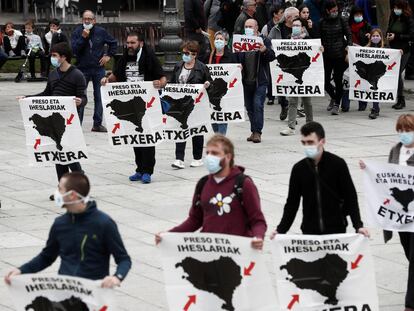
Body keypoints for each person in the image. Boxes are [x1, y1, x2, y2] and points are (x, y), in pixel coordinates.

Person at [4, 172, 131, 288]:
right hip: (66, 292)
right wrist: (21, 270)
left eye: (60, 189)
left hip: (94, 293)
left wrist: (116, 277)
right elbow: (47, 256)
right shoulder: (60, 224)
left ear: (72, 195)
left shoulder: (104, 223)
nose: (56, 193)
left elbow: (124, 259)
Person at [155, 135, 267, 250]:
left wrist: (258, 237)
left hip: (238, 252)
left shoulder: (244, 184)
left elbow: (257, 220)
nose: (209, 157)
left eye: (214, 153)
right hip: (210, 252)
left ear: (228, 157)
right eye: (207, 153)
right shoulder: (203, 183)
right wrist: (169, 235)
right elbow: (195, 219)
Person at [273, 122, 370, 236]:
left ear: (322, 141)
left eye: (310, 142)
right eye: (304, 143)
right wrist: (280, 230)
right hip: (310, 231)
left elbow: (351, 197)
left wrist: (358, 226)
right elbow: (292, 203)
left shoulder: (337, 164)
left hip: (336, 230)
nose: (307, 146)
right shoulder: (299, 169)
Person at [18, 42, 87, 200]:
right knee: (59, 157)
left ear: (63, 57)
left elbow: (84, 98)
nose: (52, 58)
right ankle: (63, 189)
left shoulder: (77, 75)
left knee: (70, 156)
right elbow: (46, 94)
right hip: (53, 120)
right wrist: (27, 99)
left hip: (69, 122)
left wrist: (80, 102)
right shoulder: (53, 74)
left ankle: (80, 187)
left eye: (55, 56)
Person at [360, 114, 414, 311]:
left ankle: (410, 304)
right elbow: (385, 177)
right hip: (400, 217)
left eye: (407, 131)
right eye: (400, 131)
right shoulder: (395, 151)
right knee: (408, 253)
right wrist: (369, 170)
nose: (403, 134)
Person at [101, 32, 167, 184]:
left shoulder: (150, 58)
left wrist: (160, 83)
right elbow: (116, 75)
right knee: (135, 136)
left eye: (133, 43)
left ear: (141, 43)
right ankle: (139, 169)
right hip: (130, 104)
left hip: (147, 105)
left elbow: (163, 78)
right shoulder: (124, 58)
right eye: (128, 43)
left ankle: (147, 171)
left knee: (148, 137)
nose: (129, 46)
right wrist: (106, 80)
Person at [71, 10, 117, 132]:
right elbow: (74, 50)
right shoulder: (77, 32)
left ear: (94, 20)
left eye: (90, 19)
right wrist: (83, 37)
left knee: (99, 96)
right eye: (85, 18)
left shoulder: (101, 31)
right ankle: (77, 125)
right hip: (82, 69)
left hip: (98, 69)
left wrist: (108, 55)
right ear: (82, 20)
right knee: (80, 97)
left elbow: (113, 43)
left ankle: (97, 124)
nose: (87, 21)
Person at [170, 41, 212, 169]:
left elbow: (210, 82)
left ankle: (197, 158)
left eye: (187, 53)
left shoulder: (202, 67)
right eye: (183, 53)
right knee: (180, 129)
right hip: (180, 104)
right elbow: (173, 83)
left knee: (196, 130)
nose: (185, 55)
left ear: (194, 55)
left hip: (196, 104)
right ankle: (179, 158)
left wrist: (207, 85)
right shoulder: (178, 66)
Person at [239, 19, 276, 143]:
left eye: (250, 26)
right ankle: (253, 130)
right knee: (249, 107)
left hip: (260, 80)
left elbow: (272, 56)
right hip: (246, 81)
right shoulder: (240, 41)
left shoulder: (264, 40)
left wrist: (265, 50)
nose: (248, 28)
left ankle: (257, 132)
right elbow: (234, 57)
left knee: (257, 105)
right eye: (246, 26)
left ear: (256, 28)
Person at [280, 18, 314, 136]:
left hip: (305, 74)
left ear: (302, 28)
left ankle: (310, 125)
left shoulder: (309, 40)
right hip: (293, 75)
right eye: (293, 25)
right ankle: (291, 127)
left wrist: (320, 49)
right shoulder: (287, 40)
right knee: (292, 101)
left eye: (297, 25)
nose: (295, 27)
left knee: (307, 101)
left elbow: (315, 53)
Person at [320, 0, 351, 115]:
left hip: (340, 55)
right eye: (333, 11)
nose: (335, 12)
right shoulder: (322, 22)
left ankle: (337, 104)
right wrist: (321, 46)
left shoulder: (342, 20)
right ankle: (334, 97)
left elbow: (349, 35)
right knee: (325, 82)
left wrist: (348, 48)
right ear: (327, 10)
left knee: (338, 80)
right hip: (327, 56)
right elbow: (319, 38)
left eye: (336, 10)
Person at [268, 7, 299, 121]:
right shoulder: (277, 29)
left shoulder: (300, 27)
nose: (298, 18)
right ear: (288, 17)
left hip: (295, 63)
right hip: (281, 64)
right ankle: (283, 105)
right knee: (281, 89)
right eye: (296, 16)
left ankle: (292, 115)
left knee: (293, 89)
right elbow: (268, 42)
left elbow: (310, 41)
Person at [340, 5, 372, 112]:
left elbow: (374, 40)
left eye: (360, 15)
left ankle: (362, 104)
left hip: (362, 58)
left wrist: (370, 37)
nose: (359, 16)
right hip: (348, 56)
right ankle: (345, 105)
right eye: (356, 15)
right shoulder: (347, 26)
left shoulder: (367, 26)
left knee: (362, 80)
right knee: (347, 80)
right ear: (352, 15)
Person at [208, 30, 237, 136]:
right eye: (217, 39)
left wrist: (238, 69)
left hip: (224, 91)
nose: (218, 41)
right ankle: (217, 135)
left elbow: (235, 73)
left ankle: (221, 138)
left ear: (226, 42)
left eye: (221, 39)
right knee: (213, 116)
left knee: (222, 114)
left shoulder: (231, 56)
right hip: (211, 90)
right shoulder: (209, 55)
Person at [387, 0, 414, 110]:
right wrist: (388, 35)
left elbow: (411, 35)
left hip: (404, 50)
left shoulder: (409, 19)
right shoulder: (393, 16)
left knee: (397, 73)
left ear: (403, 8)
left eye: (397, 7)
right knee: (394, 73)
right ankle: (398, 97)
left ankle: (401, 99)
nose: (395, 9)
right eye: (394, 7)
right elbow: (389, 28)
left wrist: (397, 37)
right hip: (393, 50)